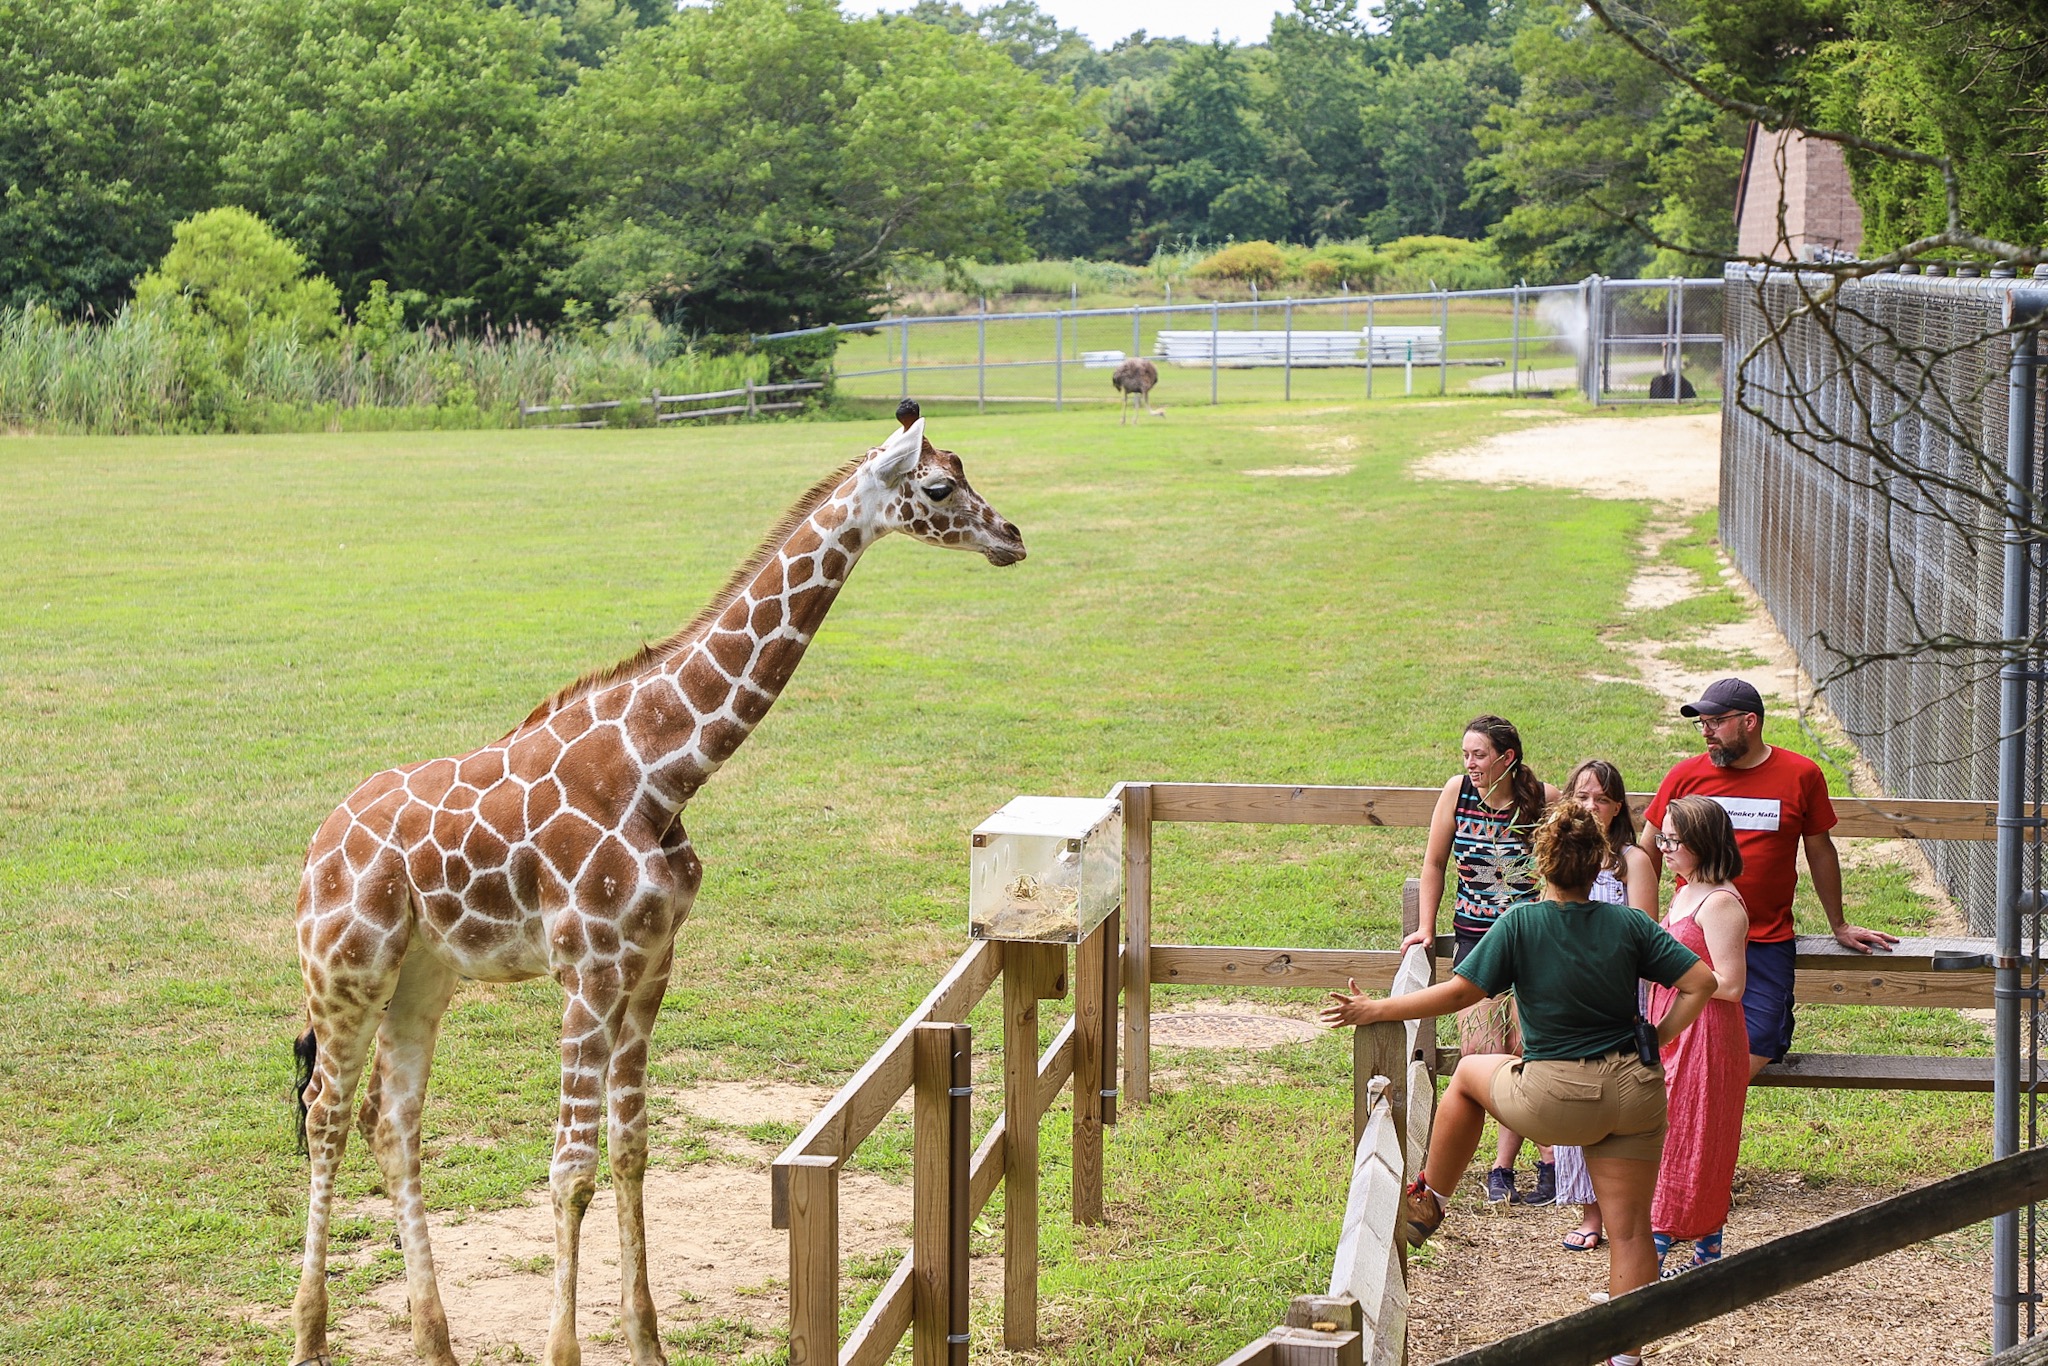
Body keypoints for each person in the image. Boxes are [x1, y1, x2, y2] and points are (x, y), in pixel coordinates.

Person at [1325, 800, 1718, 1366]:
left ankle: (1430, 1197)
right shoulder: (1629, 922)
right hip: (1634, 1090)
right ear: (1599, 866)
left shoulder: (1522, 922)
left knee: (1464, 1074)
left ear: (1542, 863)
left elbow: (1461, 993)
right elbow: (1701, 982)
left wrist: (1378, 1008)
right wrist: (1656, 1034)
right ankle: (1626, 1359)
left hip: (1557, 1096)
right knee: (1630, 1231)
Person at [1640, 678, 1898, 1078]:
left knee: (1762, 1040)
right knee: (1677, 1039)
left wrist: (1839, 924)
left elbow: (1819, 849)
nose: (1706, 732)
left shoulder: (1801, 775)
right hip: (1694, 939)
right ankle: (1682, 1117)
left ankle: (1705, 1105)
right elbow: (1649, 851)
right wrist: (1646, 926)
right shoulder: (1685, 775)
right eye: (1702, 723)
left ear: (1750, 721)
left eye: (1716, 722)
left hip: (1766, 938)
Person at [1398, 714, 1561, 1205]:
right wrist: (1426, 927)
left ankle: (1542, 1162)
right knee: (1481, 1051)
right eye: (1466, 754)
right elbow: (1433, 863)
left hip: (1532, 942)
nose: (1470, 763)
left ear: (1507, 758)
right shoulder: (1456, 792)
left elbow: (1565, 864)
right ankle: (1502, 1165)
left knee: (1534, 1048)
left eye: (1480, 755)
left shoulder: (1545, 799)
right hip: (1476, 939)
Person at [1550, 759, 1658, 1254]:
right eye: (1583, 796)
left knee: (1620, 1099)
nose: (1592, 806)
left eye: (1603, 799)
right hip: (1571, 992)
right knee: (1576, 1097)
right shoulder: (1559, 857)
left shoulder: (1632, 860)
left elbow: (1645, 933)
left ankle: (1626, 1215)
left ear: (1618, 808)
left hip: (1620, 994)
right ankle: (1589, 1211)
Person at [1647, 796, 1752, 1276]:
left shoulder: (1722, 903)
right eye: (1663, 837)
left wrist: (1678, 978)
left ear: (1703, 843)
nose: (1663, 847)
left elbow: (1730, 984)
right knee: (1677, 1133)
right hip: (1675, 1026)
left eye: (1673, 840)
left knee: (1691, 1137)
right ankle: (1706, 1258)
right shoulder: (1686, 889)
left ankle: (1651, 1263)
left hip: (1706, 1035)